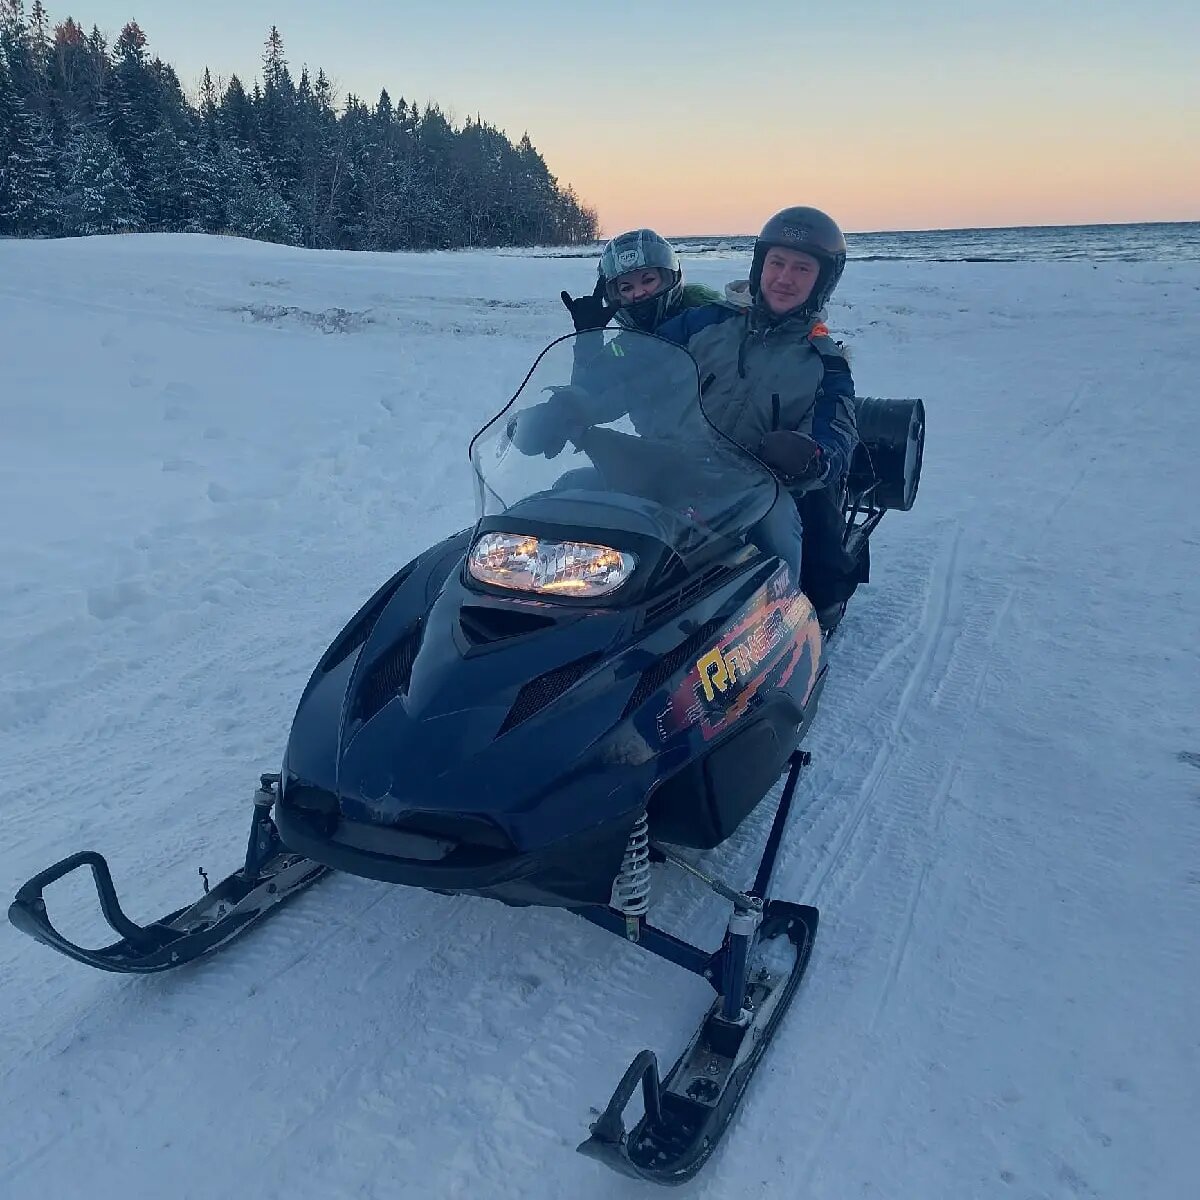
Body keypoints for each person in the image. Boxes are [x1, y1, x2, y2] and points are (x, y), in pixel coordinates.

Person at [648, 205, 865, 630]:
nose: (785, 278)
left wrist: (813, 455)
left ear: (822, 280)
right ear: (758, 265)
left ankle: (785, 630)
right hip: (680, 465)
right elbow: (635, 366)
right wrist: (575, 400)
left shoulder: (826, 362)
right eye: (777, 263)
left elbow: (840, 432)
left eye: (802, 269)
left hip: (761, 488)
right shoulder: (704, 323)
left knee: (780, 529)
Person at [560, 229, 720, 334]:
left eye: (648, 280)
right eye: (627, 288)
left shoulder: (708, 321)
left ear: (667, 278)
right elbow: (591, 384)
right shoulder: (625, 346)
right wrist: (589, 343)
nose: (638, 293)